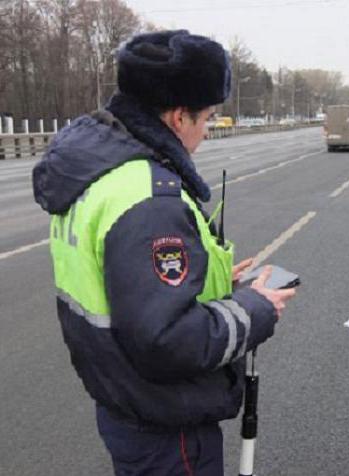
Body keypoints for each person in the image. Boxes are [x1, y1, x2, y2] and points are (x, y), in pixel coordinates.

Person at [32, 30, 295, 475]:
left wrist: (214, 279)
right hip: (165, 425)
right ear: (178, 117)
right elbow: (167, 342)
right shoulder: (150, 196)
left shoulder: (96, 174)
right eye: (207, 118)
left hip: (122, 404)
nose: (207, 131)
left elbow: (121, 282)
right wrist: (254, 308)